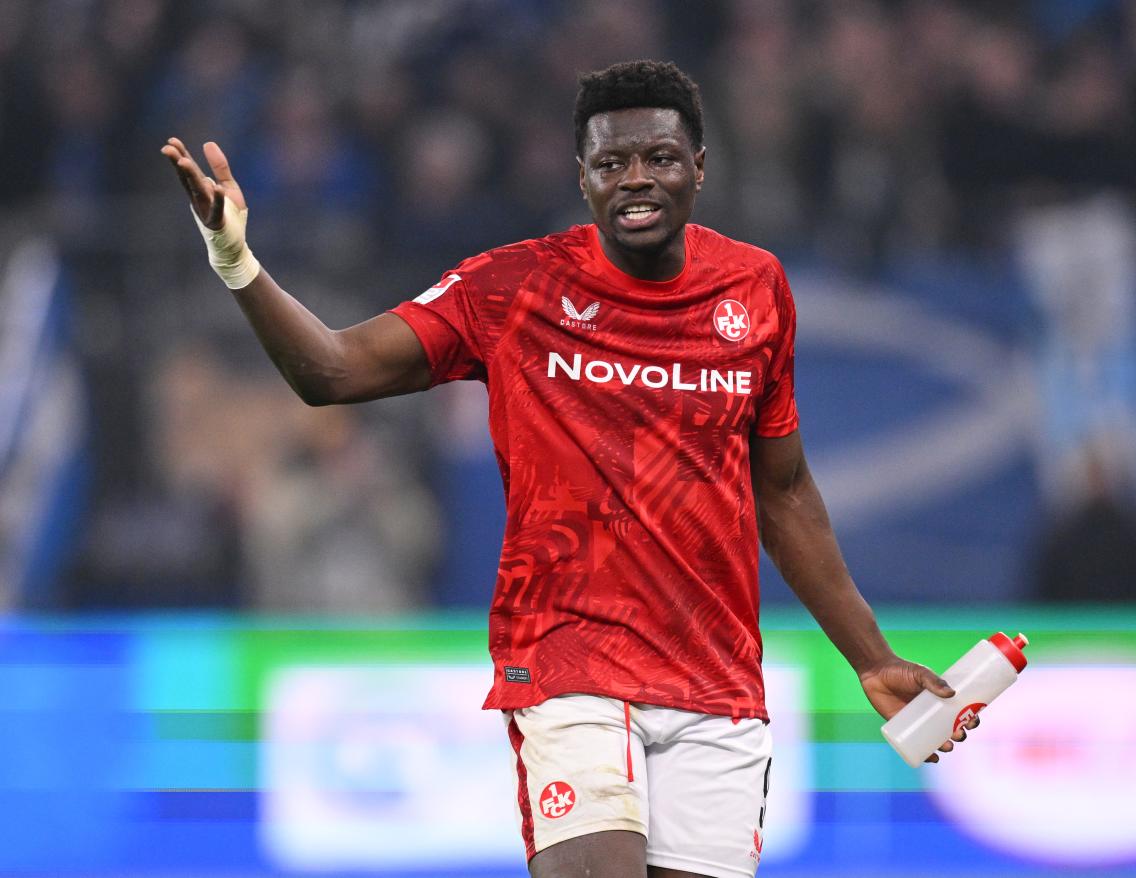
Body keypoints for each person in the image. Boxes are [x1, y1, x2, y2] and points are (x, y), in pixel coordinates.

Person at [161, 60, 977, 878]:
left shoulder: (755, 288)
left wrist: (871, 657)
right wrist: (234, 256)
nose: (636, 179)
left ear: (699, 168)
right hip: (568, 663)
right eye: (611, 162)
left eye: (659, 157)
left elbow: (785, 491)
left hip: (715, 681)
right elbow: (333, 371)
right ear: (582, 178)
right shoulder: (513, 288)